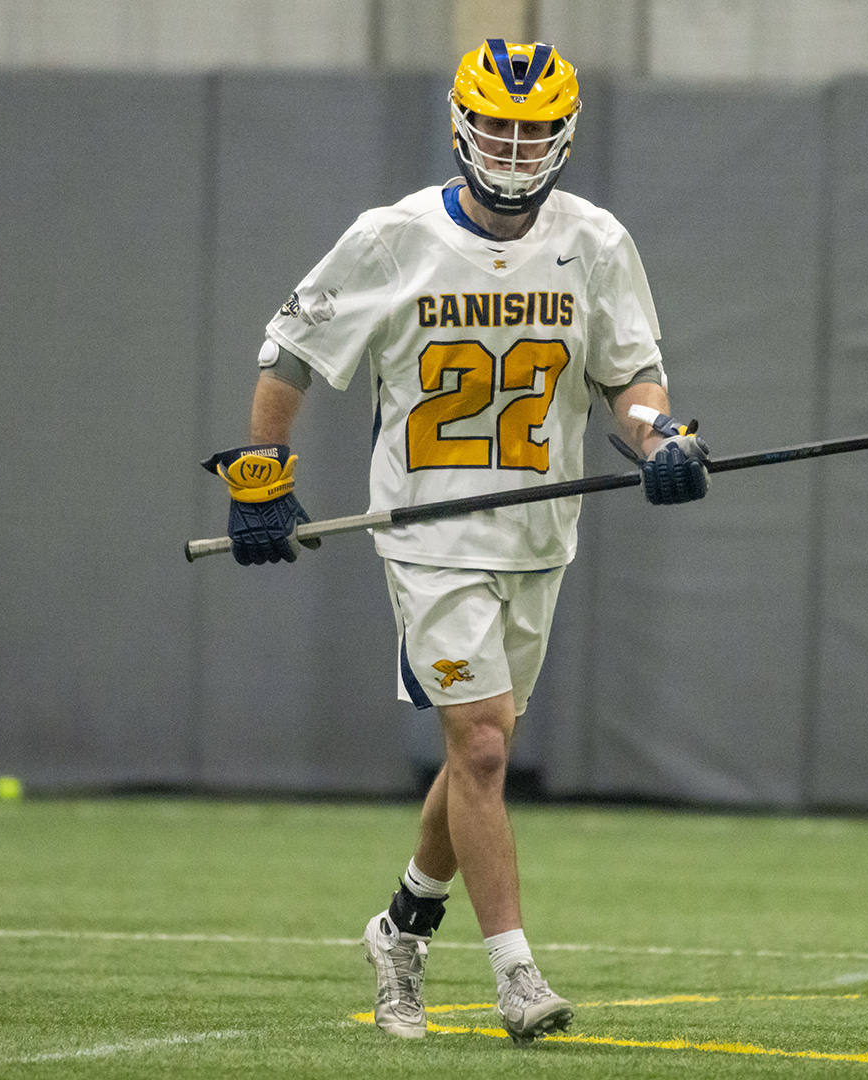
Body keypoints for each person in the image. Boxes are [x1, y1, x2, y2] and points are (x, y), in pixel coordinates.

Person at [202, 38, 709, 1045]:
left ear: (563, 136)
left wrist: (663, 440)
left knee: (481, 749)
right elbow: (289, 351)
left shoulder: (596, 241)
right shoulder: (391, 237)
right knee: (479, 743)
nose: (514, 151)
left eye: (533, 133)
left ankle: (403, 925)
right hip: (430, 534)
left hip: (538, 532)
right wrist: (262, 473)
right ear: (459, 124)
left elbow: (630, 384)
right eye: (497, 128)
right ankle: (516, 976)